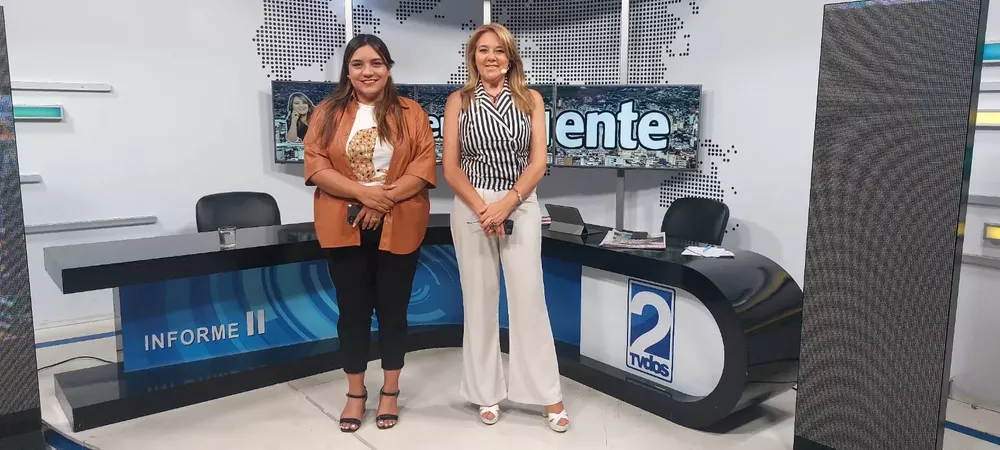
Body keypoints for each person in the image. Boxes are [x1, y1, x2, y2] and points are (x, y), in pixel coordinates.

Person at [303, 34, 436, 433]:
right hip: (343, 224)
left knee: (394, 311)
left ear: (388, 69)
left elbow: (423, 165)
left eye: (376, 63)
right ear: (347, 71)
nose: (367, 71)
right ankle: (355, 393)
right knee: (353, 312)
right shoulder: (326, 112)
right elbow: (317, 166)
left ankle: (390, 390)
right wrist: (365, 195)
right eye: (358, 64)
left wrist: (382, 201)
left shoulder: (411, 112)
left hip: (401, 222)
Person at [441, 23, 570, 433]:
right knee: (479, 300)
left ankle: (547, 393)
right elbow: (450, 167)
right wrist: (485, 209)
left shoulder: (531, 99)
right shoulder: (458, 101)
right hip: (472, 205)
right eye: (483, 50)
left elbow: (538, 162)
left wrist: (507, 204)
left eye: (499, 50)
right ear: (473, 58)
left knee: (529, 297)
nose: (491, 57)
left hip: (520, 201)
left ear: (510, 57)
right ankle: (486, 392)